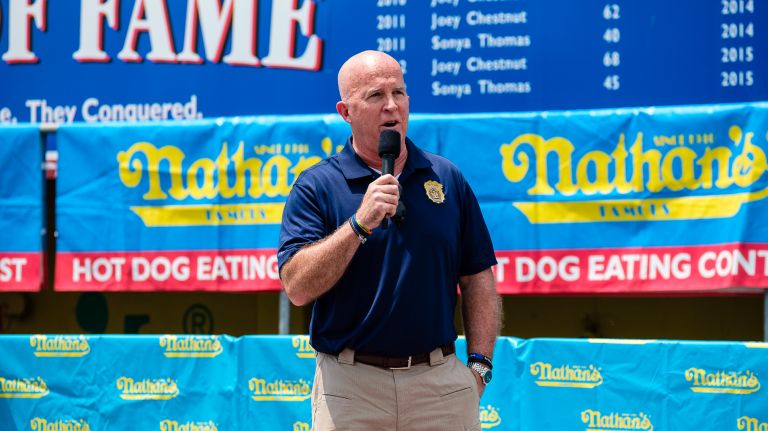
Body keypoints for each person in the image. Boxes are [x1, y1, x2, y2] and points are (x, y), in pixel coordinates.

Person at [277, 50, 501, 430]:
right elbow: (297, 287)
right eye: (375, 96)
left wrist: (478, 366)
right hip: (351, 388)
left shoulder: (446, 178)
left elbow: (478, 277)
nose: (391, 106)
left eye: (399, 92)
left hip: (439, 386)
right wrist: (359, 224)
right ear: (345, 112)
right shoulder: (317, 185)